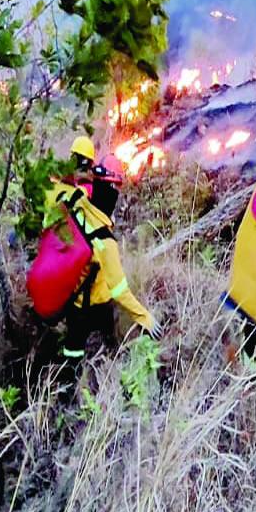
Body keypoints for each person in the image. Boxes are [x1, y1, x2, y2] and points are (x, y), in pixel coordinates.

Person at [48, 156, 159, 380]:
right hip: (95, 303)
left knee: (73, 350)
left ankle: (68, 386)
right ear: (112, 190)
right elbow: (119, 291)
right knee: (109, 344)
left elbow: (58, 184)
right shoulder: (105, 242)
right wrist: (143, 316)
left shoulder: (78, 203)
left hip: (72, 300)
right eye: (116, 187)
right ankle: (102, 379)